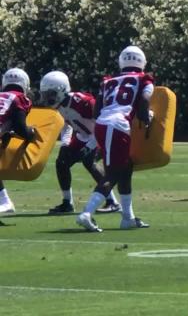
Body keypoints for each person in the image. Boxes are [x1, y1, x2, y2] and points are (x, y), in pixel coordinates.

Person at [76, 46, 153, 232]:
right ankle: (86, 213)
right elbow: (143, 100)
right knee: (113, 174)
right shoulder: (144, 79)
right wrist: (146, 118)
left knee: (126, 168)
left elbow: (96, 110)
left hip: (103, 125)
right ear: (142, 61)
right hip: (118, 126)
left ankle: (128, 218)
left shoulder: (108, 81)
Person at [40, 71, 121, 214]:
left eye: (50, 94)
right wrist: (65, 143)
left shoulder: (83, 102)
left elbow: (102, 123)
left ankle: (112, 201)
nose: (48, 98)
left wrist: (90, 146)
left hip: (101, 134)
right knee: (62, 161)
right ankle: (67, 203)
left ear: (61, 90)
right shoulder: (60, 105)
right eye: (46, 94)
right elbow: (66, 125)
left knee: (90, 161)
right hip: (83, 135)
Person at [0, 68, 36, 213]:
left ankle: (5, 201)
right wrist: (31, 134)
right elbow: (20, 127)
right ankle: (5, 202)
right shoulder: (19, 98)